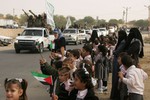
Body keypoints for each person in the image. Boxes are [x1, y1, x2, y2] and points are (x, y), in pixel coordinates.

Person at [110, 30, 127, 99]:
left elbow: (117, 52)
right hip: (117, 60)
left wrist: (114, 52)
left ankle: (115, 95)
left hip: (117, 62)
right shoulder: (123, 41)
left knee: (116, 79)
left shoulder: (123, 42)